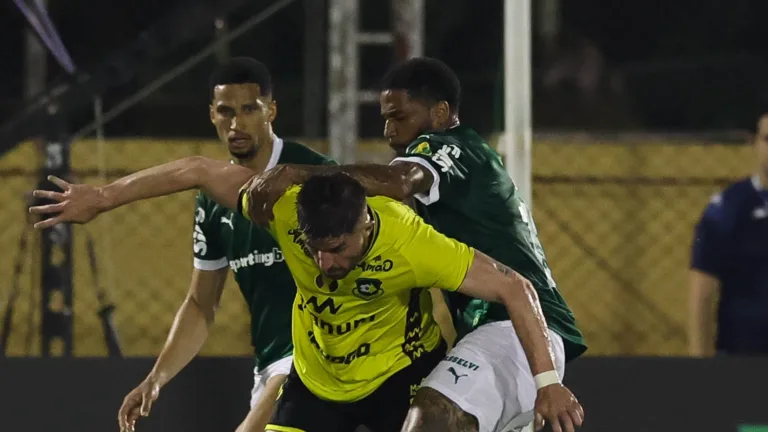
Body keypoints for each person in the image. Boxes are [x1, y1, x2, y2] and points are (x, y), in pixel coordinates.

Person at [29, 164, 583, 430]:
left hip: (399, 374)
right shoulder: (281, 207)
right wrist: (103, 197)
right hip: (319, 381)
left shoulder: (412, 242)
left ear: (364, 225)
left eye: (337, 251)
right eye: (315, 251)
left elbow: (516, 287)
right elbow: (197, 170)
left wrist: (548, 384)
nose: (325, 265)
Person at [242, 57, 588, 432]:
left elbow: (399, 181)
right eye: (385, 119)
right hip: (499, 331)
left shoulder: (450, 147)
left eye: (400, 117)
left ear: (440, 112)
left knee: (432, 415)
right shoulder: (452, 176)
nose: (389, 130)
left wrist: (298, 173)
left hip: (517, 327)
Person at [114, 57, 336, 432]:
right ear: (212, 115)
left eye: (249, 109)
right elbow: (201, 304)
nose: (237, 124)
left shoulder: (313, 175)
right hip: (270, 368)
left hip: (322, 357)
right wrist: (156, 378)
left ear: (271, 111)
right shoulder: (212, 201)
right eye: (226, 112)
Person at [689, 112, 768, 356]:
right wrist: (699, 362)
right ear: (754, 143)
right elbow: (702, 291)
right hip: (742, 357)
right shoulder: (727, 209)